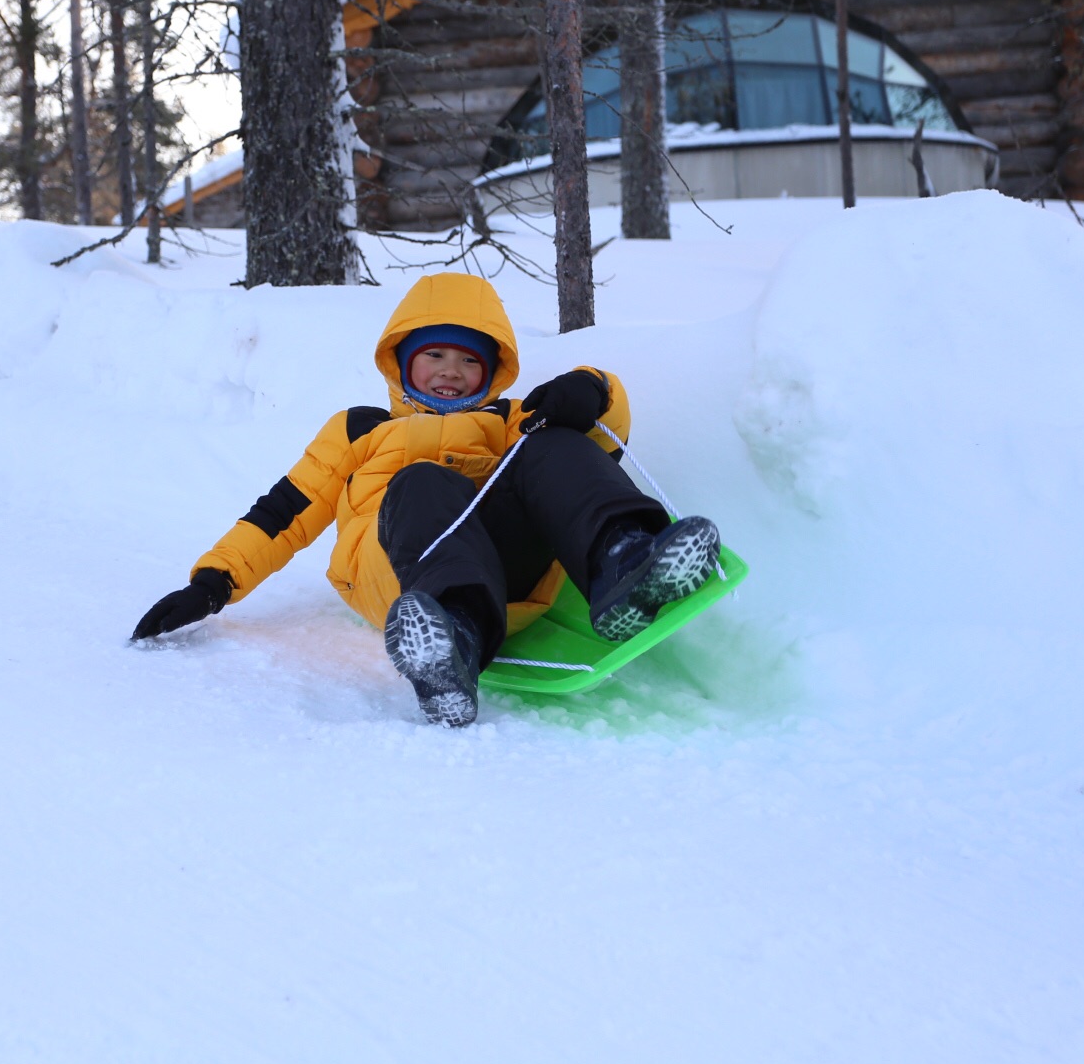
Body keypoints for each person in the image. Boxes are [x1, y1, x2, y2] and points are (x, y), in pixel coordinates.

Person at [131, 271, 719, 726]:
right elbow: (285, 512)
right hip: (402, 572)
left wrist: (591, 390)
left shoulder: (510, 419)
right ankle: (449, 643)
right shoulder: (359, 428)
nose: (451, 371)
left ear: (491, 372)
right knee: (422, 481)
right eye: (434, 354)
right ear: (402, 361)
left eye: (470, 360)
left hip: (515, 576)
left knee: (553, 442)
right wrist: (212, 583)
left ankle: (624, 562)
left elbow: (605, 432)